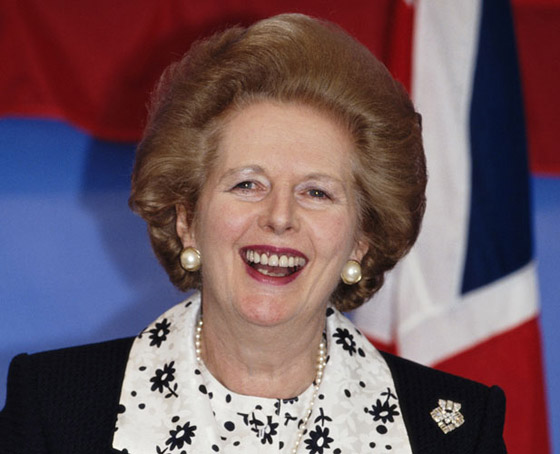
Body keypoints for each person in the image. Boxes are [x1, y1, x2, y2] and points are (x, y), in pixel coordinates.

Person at [0, 13, 506, 453]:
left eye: (316, 192)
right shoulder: (54, 409)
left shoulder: (455, 434)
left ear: (361, 238)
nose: (280, 217)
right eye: (247, 184)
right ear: (186, 219)